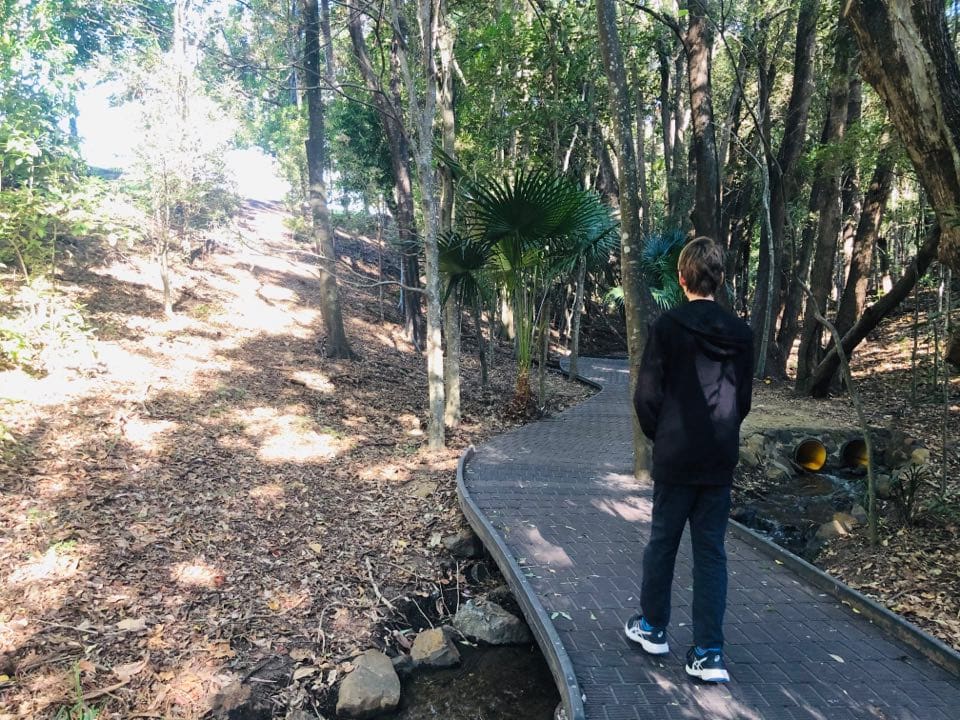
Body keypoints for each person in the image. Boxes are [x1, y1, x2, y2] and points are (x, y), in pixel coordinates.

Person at [624, 236, 753, 683]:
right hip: (719, 460)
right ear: (720, 278)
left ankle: (653, 627)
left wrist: (665, 438)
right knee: (711, 552)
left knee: (663, 542)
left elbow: (646, 397)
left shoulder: (667, 327)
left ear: (682, 279)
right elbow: (744, 401)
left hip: (676, 457)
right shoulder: (742, 334)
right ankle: (709, 653)